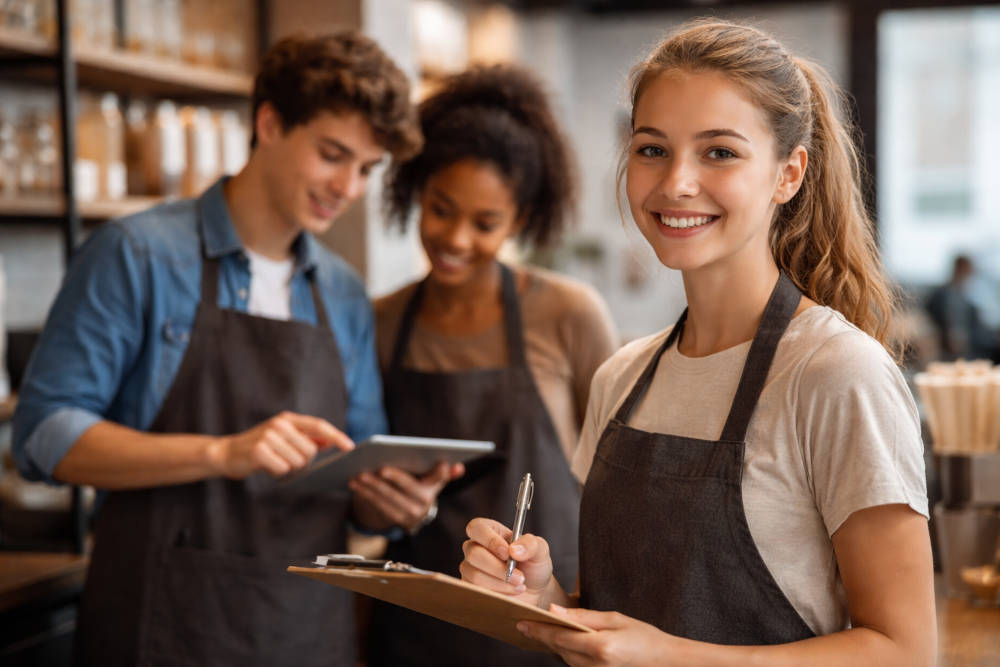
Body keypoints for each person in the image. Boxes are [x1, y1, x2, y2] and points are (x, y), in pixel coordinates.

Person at [460, 19, 935, 666]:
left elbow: (905, 650)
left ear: (788, 174)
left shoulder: (836, 372)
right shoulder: (621, 377)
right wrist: (539, 595)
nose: (676, 182)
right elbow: (618, 622)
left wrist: (669, 655)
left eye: (719, 152)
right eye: (652, 148)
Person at [12, 32, 421, 667]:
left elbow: (357, 474)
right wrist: (221, 452)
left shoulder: (342, 292)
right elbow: (44, 435)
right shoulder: (135, 255)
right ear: (269, 122)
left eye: (367, 169)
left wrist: (389, 498)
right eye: (332, 154)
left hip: (305, 633)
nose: (347, 186)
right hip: (161, 628)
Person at [347, 64, 618, 666]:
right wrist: (376, 501)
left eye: (485, 223)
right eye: (441, 210)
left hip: (544, 623)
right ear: (416, 190)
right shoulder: (381, 321)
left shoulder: (567, 315)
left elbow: (619, 483)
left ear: (520, 220)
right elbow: (364, 492)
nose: (456, 239)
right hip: (417, 631)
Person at [925, 254, 999, 362]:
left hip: (970, 341)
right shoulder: (942, 295)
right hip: (952, 346)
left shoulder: (963, 295)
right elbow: (934, 321)